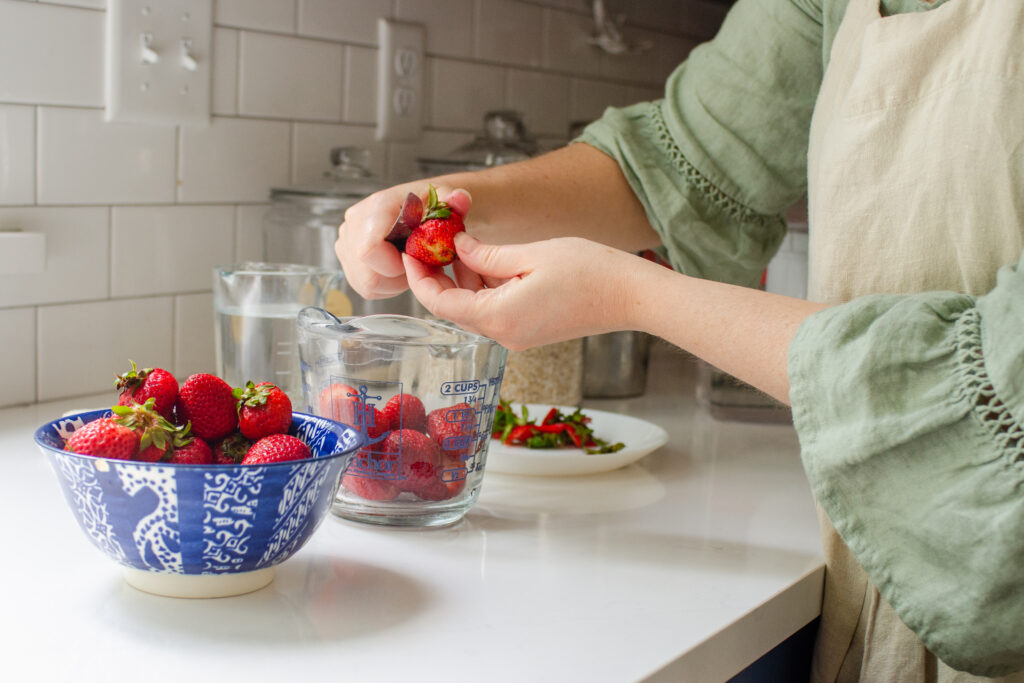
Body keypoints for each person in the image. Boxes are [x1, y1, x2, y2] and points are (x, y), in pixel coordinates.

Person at [335, 0, 1024, 680]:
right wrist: (436, 201)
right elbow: (679, 163)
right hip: (883, 559)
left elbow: (999, 387)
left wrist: (629, 293)